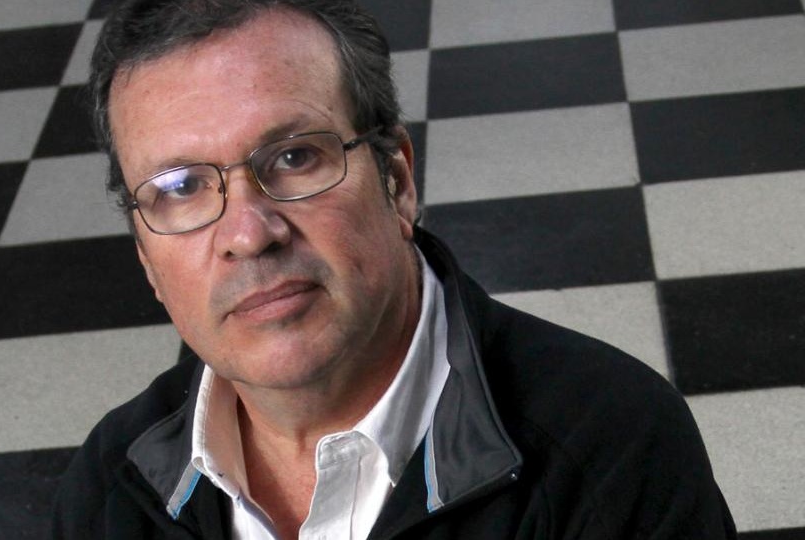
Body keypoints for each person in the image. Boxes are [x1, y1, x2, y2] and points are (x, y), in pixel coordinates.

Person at [52, 0, 737, 538]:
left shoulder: (610, 452)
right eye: (180, 188)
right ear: (146, 257)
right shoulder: (111, 485)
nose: (249, 234)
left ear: (398, 181)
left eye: (294, 158)